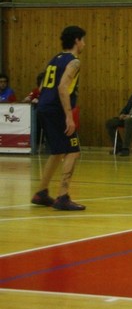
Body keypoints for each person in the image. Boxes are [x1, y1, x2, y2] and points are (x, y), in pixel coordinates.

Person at [30, 25, 87, 211]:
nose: (84, 44)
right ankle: (63, 196)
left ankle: (41, 193)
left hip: (43, 107)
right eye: (83, 40)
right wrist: (69, 117)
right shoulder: (74, 62)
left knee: (56, 152)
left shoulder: (55, 59)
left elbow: (43, 86)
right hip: (57, 110)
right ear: (77, 40)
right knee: (73, 151)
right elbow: (63, 87)